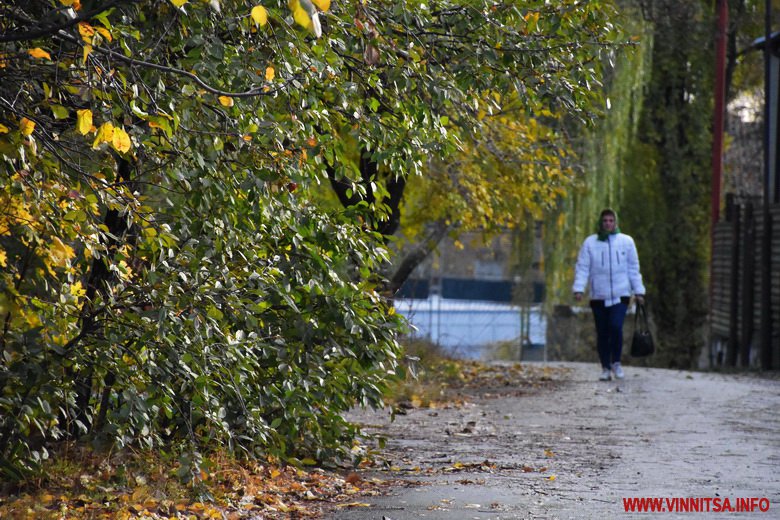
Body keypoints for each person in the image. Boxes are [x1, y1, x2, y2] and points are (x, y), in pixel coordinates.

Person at [572, 208, 645, 381]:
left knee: (615, 326)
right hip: (599, 295)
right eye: (605, 221)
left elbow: (633, 268)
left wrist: (639, 291)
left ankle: (616, 362)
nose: (608, 224)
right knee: (602, 332)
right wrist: (579, 288)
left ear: (616, 222)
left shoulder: (626, 242)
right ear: (600, 222)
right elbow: (583, 267)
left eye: (611, 221)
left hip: (621, 294)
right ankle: (605, 367)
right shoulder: (590, 243)